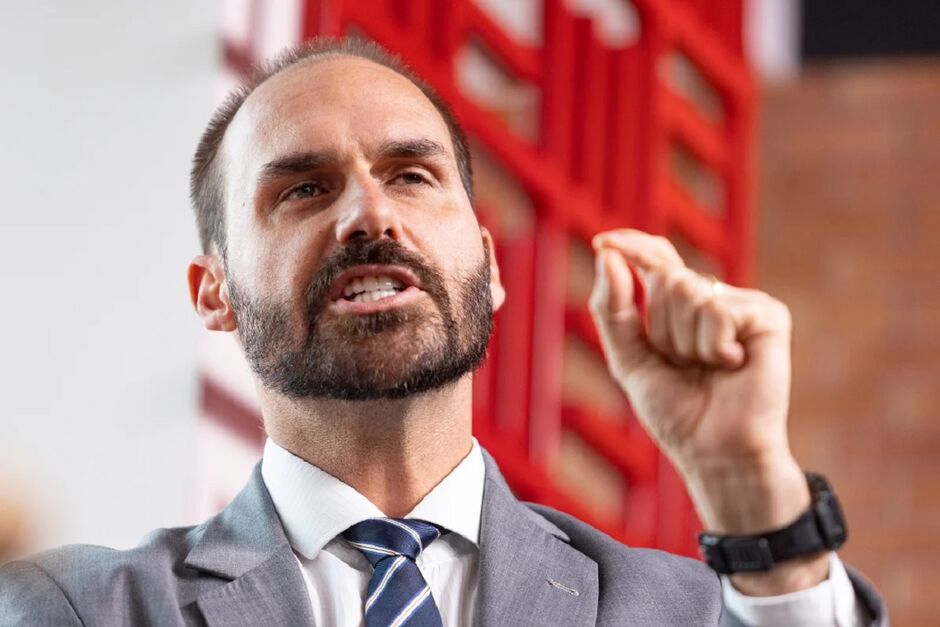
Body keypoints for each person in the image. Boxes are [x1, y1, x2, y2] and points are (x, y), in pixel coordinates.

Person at [0, 37, 885, 626]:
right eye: (304, 189)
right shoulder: (76, 607)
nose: (369, 213)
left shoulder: (694, 611)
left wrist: (749, 488)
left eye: (412, 175)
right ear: (214, 293)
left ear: (490, 266)